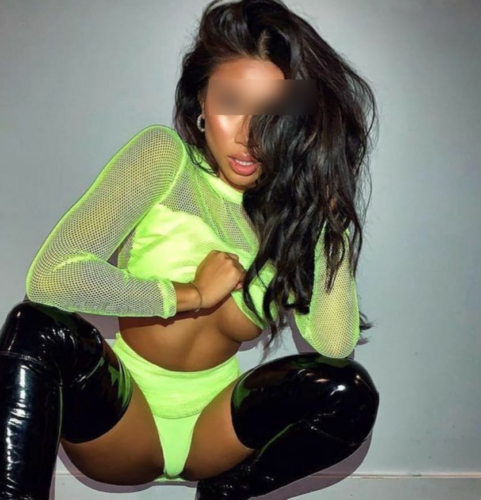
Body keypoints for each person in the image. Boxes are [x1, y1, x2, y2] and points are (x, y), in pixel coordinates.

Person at [0, 0, 381, 499]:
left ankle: (226, 493)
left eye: (271, 112)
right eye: (230, 102)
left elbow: (333, 346)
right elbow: (52, 278)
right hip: (123, 418)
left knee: (348, 390)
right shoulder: (165, 160)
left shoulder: (288, 220)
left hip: (214, 430)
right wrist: (190, 295)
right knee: (34, 326)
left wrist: (330, 224)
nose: (248, 135)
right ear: (201, 101)